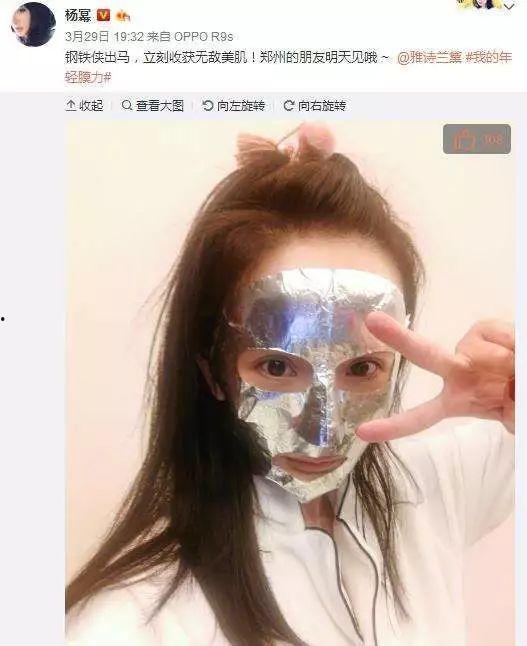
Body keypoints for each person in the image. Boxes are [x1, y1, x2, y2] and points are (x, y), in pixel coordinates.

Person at [66, 124, 514, 645]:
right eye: (277, 369)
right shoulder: (132, 623)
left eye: (361, 369)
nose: (320, 432)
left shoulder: (433, 487)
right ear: (213, 373)